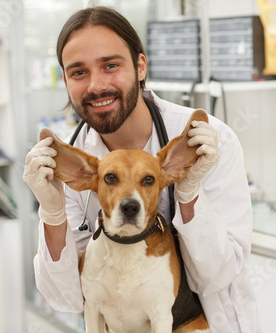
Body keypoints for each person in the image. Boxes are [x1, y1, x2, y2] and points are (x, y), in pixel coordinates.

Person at [23, 6, 258, 333]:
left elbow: (218, 277)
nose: (96, 85)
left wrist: (187, 194)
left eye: (111, 65)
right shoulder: (76, 166)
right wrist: (52, 213)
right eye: (78, 72)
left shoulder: (207, 145)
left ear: (140, 66)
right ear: (65, 80)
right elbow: (69, 300)